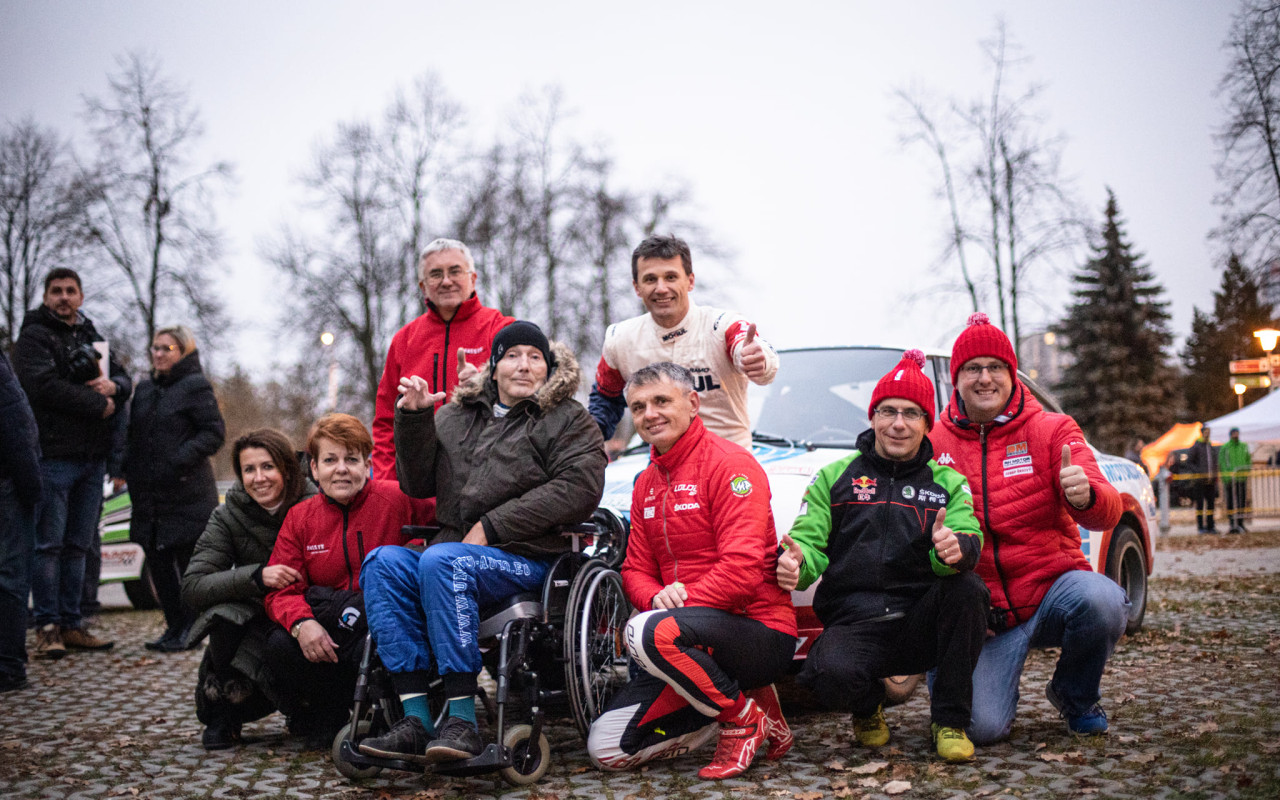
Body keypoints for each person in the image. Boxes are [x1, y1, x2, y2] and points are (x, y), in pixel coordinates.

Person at [356, 321, 607, 764]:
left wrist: (493, 527)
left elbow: (579, 488)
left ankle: (462, 722)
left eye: (535, 357)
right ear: (494, 368)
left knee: (442, 562)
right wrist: (413, 417)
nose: (524, 365)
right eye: (512, 355)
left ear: (549, 368)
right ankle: (415, 719)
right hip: (451, 553)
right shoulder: (455, 417)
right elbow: (415, 484)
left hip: (529, 558)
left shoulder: (568, 419)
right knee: (382, 563)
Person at [776, 350, 987, 763]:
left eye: (911, 413)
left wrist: (952, 550)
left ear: (927, 424)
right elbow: (809, 543)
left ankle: (949, 720)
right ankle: (868, 704)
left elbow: (968, 538)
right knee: (824, 677)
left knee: (968, 588)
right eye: (887, 411)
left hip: (920, 621)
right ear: (872, 417)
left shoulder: (948, 482)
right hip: (856, 621)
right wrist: (796, 565)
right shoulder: (835, 476)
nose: (898, 423)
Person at [588, 362, 796, 780]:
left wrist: (668, 611)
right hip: (682, 639)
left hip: (757, 630)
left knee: (645, 631)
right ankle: (748, 704)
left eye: (661, 401)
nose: (650, 414)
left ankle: (741, 720)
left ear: (693, 403)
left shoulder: (732, 465)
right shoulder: (646, 482)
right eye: (639, 406)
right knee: (607, 749)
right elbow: (635, 570)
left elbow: (741, 572)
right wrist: (655, 600)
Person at [929, 313, 1128, 742]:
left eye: (995, 367)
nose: (985, 378)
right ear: (956, 379)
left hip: (1049, 593)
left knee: (1103, 600)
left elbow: (1108, 513)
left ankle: (1074, 695)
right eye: (972, 369)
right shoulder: (933, 443)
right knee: (982, 730)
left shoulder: (1053, 429)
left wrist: (1085, 496)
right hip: (986, 617)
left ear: (1012, 375)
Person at [263, 413, 422, 749]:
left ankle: (402, 710)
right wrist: (302, 623)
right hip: (330, 629)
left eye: (352, 459)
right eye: (330, 460)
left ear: (367, 464)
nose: (341, 469)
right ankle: (328, 711)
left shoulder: (398, 498)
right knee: (279, 645)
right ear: (314, 469)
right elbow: (281, 591)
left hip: (384, 625)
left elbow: (446, 524)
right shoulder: (300, 518)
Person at [14, 267, 131, 658]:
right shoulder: (33, 337)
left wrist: (117, 387)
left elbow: (123, 377)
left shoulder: (92, 335)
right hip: (51, 457)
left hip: (90, 460)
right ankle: (47, 628)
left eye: (70, 290)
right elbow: (41, 387)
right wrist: (100, 404)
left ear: (81, 296)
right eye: (56, 291)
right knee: (48, 545)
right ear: (46, 296)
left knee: (79, 546)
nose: (64, 297)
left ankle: (72, 623)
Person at [181, 429, 317, 750]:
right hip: (253, 610)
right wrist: (256, 576)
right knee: (225, 617)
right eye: (249, 470)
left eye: (267, 467)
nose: (259, 478)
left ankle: (307, 707)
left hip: (305, 608)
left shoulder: (315, 504)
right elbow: (193, 586)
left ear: (286, 467)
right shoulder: (228, 514)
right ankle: (225, 713)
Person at [588, 235, 779, 450]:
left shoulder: (723, 324)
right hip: (663, 469)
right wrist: (582, 442)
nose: (661, 288)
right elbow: (605, 401)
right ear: (636, 287)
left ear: (690, 281)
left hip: (728, 466)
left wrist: (758, 360)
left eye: (671, 277)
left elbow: (753, 352)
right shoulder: (619, 338)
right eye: (650, 279)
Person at [370, 238, 514, 480]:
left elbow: (528, 405)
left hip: (486, 484)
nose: (446, 281)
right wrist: (388, 485)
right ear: (423, 286)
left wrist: (488, 386)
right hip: (416, 489)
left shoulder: (501, 329)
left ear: (473, 278)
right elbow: (386, 423)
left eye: (455, 271)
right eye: (436, 274)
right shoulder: (404, 340)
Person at [125, 325, 226, 652]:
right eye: (155, 348)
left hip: (186, 494)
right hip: (149, 496)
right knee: (157, 563)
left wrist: (179, 458)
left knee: (188, 567)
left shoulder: (195, 386)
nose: (158, 353)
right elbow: (133, 435)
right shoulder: (143, 389)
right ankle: (173, 627)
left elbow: (213, 433)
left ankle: (192, 629)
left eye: (167, 348)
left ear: (182, 352)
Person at [0, 348, 43, 693]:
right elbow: (16, 427)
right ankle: (9, 666)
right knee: (12, 578)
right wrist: (31, 488)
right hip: (8, 486)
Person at [1186, 425, 1218, 533]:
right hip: (1199, 481)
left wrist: (1214, 474)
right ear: (1202, 432)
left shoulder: (1210, 446)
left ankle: (1210, 525)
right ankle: (1200, 526)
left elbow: (1214, 461)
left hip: (1210, 480)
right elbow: (1189, 461)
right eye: (1206, 432)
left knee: (1211, 504)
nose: (1207, 434)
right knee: (1200, 505)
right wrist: (1198, 472)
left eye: (1209, 431)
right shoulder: (1196, 446)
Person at [1218, 427, 1250, 534]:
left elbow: (1248, 460)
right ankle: (1232, 523)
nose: (1236, 435)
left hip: (1241, 478)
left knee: (1241, 501)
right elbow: (1222, 462)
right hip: (1230, 479)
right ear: (1231, 435)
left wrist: (1246, 472)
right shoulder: (1225, 448)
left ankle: (1240, 523)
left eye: (1237, 433)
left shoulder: (1243, 446)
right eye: (1234, 433)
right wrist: (1226, 476)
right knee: (1231, 501)